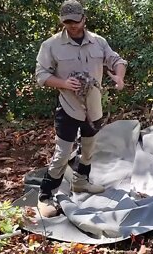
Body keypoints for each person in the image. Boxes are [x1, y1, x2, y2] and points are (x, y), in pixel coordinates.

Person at [35, 0, 127, 218]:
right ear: (62, 21)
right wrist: (64, 83)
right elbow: (41, 75)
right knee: (63, 153)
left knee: (89, 147)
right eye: (67, 22)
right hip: (68, 107)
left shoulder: (98, 42)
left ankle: (80, 182)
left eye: (76, 21)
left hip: (93, 106)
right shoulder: (51, 45)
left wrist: (119, 78)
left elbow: (117, 60)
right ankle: (45, 196)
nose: (72, 26)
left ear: (84, 19)